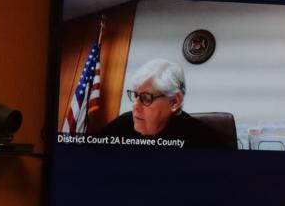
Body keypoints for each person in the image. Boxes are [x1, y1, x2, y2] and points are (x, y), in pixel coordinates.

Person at [98, 58, 233, 150]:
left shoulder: (201, 139)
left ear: (174, 101)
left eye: (146, 98)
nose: (135, 106)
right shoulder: (123, 124)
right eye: (135, 95)